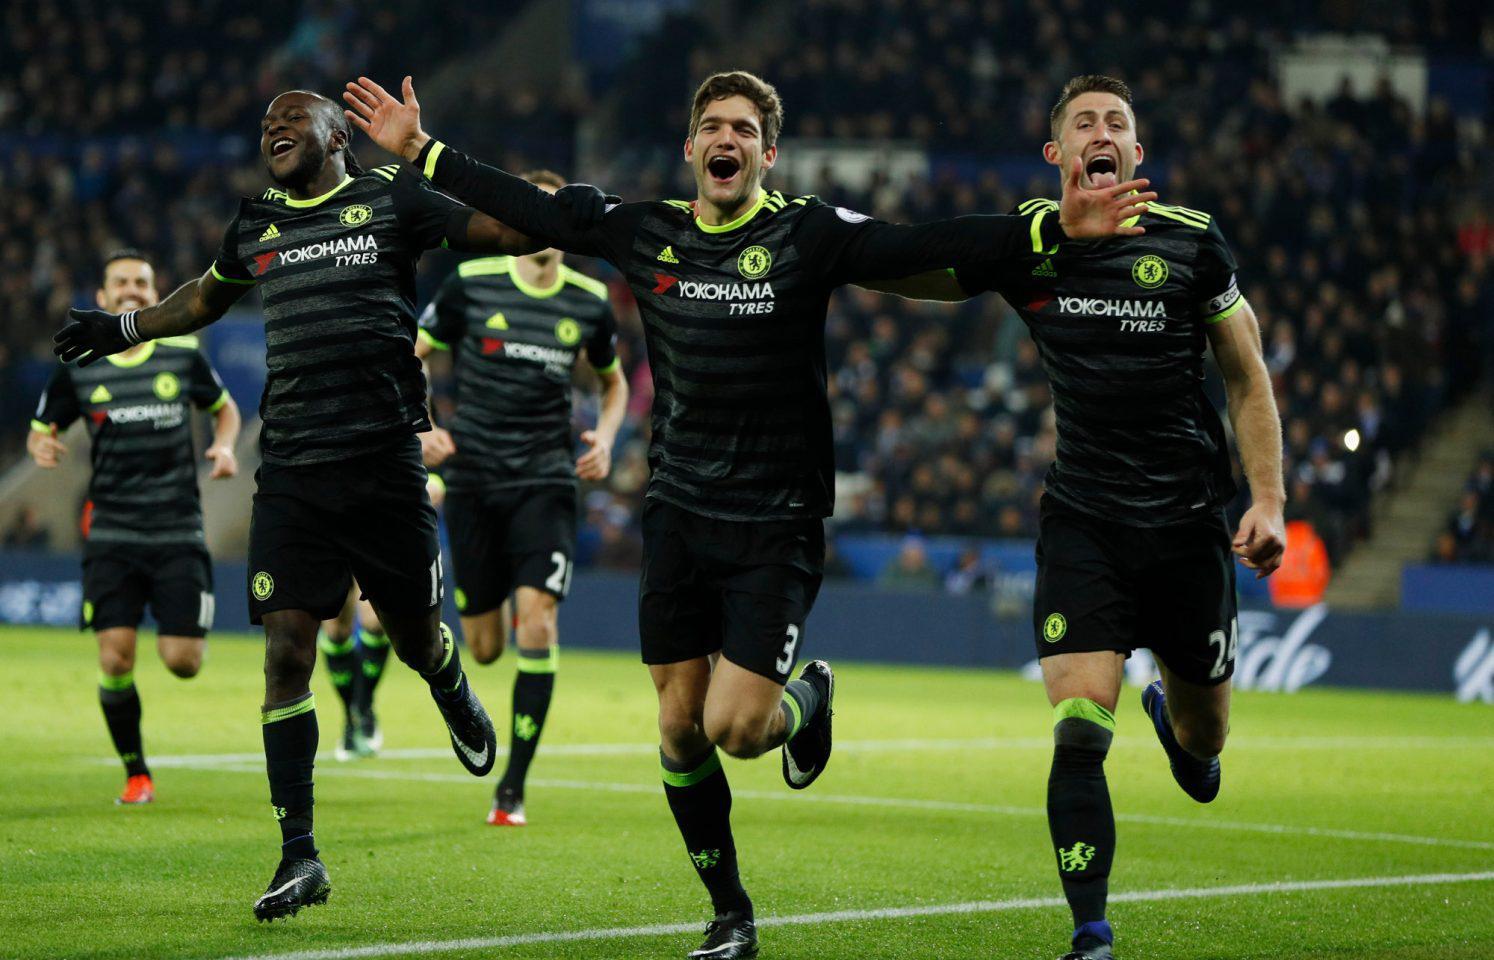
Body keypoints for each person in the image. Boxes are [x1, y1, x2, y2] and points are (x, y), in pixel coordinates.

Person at [344, 69, 1152, 959]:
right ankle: (731, 912)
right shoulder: (646, 230)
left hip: (776, 520)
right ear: (691, 147)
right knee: (678, 727)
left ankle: (807, 701)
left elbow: (917, 246)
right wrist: (422, 150)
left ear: (769, 153)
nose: (726, 140)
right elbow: (538, 212)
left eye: (744, 130)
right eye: (713, 126)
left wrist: (1045, 230)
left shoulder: (806, 232)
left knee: (736, 729)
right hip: (678, 513)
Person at [51, 90, 608, 920]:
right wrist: (123, 330)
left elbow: (507, 233)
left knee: (416, 640)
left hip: (384, 467)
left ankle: (447, 680)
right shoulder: (257, 223)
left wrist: (549, 209)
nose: (272, 130)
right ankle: (299, 854)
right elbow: (201, 299)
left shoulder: (394, 196)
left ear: (338, 133)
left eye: (291, 119)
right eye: (264, 125)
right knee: (286, 652)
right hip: (294, 474)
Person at [875, 75, 1286, 960]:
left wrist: (1268, 499)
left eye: (1118, 123)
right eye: (1084, 123)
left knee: (1204, 749)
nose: (1103, 133)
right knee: (1077, 729)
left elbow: (1247, 376)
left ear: (1137, 151)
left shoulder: (1191, 242)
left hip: (1186, 525)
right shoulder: (1030, 245)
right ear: (1058, 153)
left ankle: (1179, 732)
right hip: (1085, 523)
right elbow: (917, 263)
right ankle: (1091, 932)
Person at [415, 168, 629, 826]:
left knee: (537, 622)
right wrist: (422, 425)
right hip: (474, 479)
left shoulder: (588, 301)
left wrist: (606, 438)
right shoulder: (471, 282)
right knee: (483, 647)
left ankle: (512, 786)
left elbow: (613, 383)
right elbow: (412, 353)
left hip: (546, 479)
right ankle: (466, 683)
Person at [29, 249, 241, 805]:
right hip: (112, 531)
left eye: (141, 283)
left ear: (155, 295)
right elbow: (41, 426)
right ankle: (136, 773)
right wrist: (42, 443)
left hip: (177, 529)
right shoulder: (80, 363)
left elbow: (225, 409)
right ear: (102, 297)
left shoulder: (182, 354)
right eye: (120, 282)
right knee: (115, 657)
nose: (131, 290)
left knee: (183, 662)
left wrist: (223, 446)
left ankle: (177, 646)